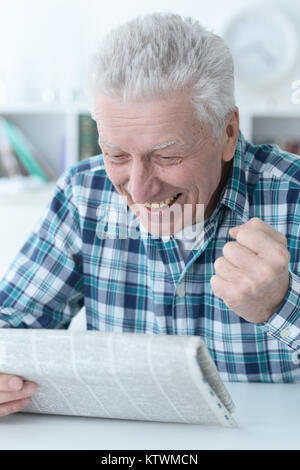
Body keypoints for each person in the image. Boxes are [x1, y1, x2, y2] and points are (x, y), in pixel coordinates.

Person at [0, 12, 299, 417]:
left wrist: (281, 304)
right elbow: (13, 323)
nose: (138, 191)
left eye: (168, 156)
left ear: (227, 133)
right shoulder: (84, 192)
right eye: (116, 155)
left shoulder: (292, 197)